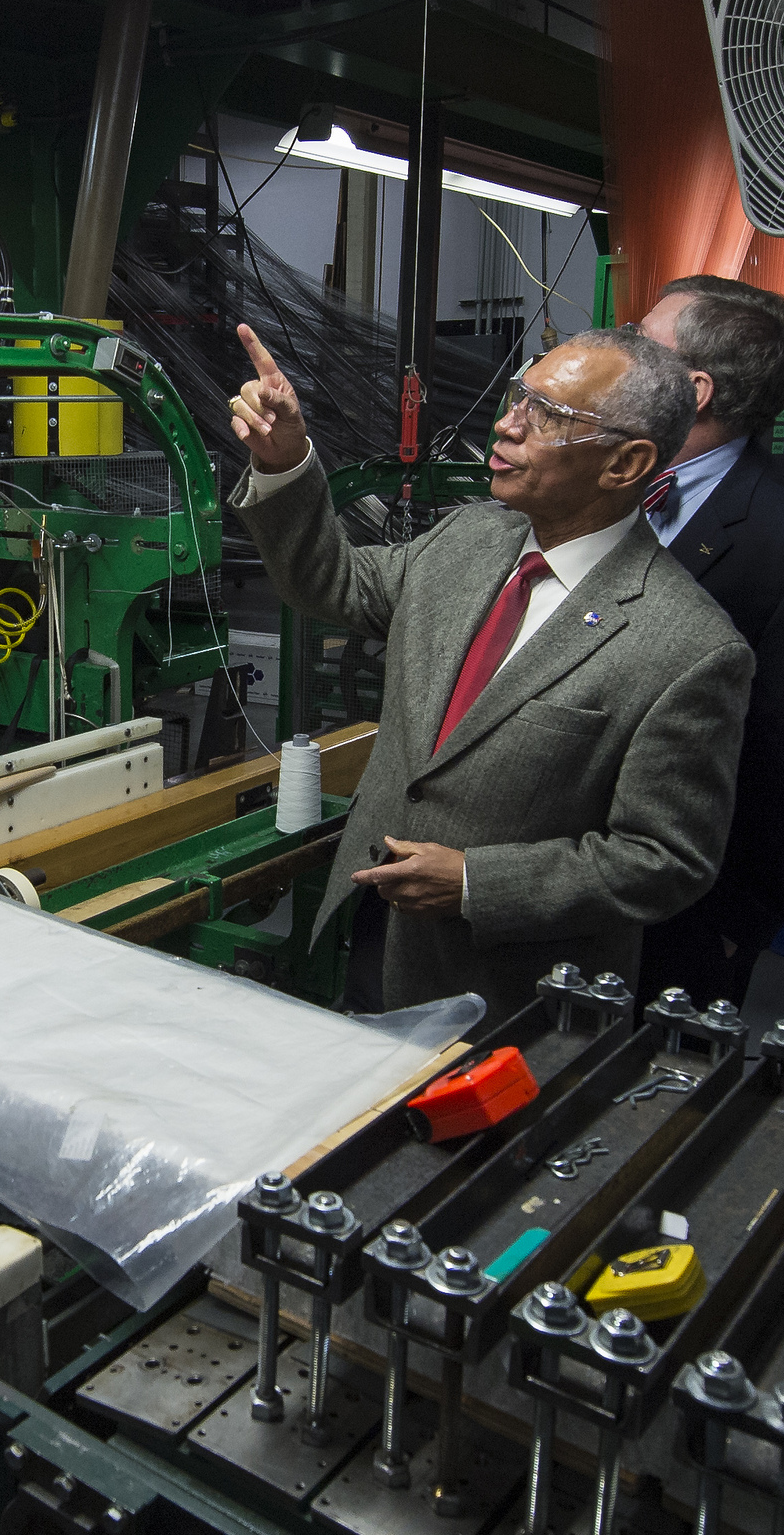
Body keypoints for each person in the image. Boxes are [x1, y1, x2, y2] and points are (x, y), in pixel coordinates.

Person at [228, 322, 754, 1022]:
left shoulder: (687, 647)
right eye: (518, 397)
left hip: (509, 987)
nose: (507, 425)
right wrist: (287, 463)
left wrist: (480, 883)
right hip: (376, 930)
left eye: (548, 415)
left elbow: (665, 859)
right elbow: (336, 581)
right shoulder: (472, 538)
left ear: (626, 464)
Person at [636, 275, 784, 1005]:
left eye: (642, 344)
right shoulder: (604, 488)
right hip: (560, 889)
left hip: (679, 917)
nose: (618, 354)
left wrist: (737, 925)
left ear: (696, 389)